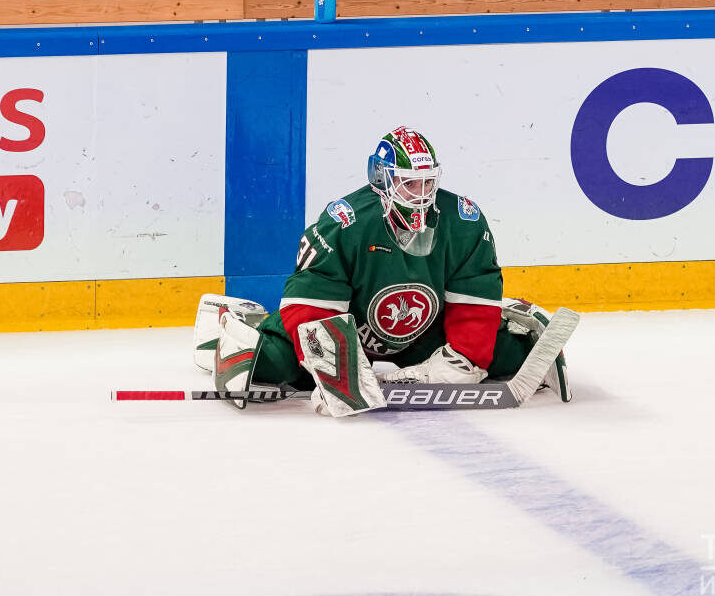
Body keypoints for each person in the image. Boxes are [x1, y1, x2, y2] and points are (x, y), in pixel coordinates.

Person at [194, 126, 569, 416]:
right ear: (383, 180)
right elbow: (310, 301)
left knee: (506, 357)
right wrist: (331, 362)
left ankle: (517, 322)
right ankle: (231, 325)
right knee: (268, 364)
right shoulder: (345, 222)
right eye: (408, 184)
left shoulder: (463, 220)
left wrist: (466, 358)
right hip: (351, 331)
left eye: (427, 182)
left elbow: (475, 292)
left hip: (426, 332)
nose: (420, 194)